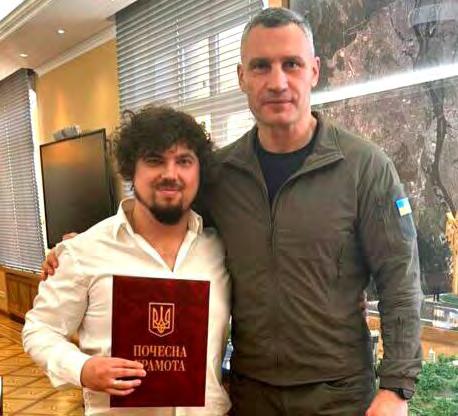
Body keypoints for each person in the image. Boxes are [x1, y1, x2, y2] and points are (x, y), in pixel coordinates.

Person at [41, 7, 423, 416]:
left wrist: (396, 388)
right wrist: (78, 248)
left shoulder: (365, 167)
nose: (277, 82)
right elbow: (160, 218)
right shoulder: (219, 174)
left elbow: (399, 280)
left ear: (314, 70)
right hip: (249, 394)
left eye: (291, 64)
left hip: (339, 396)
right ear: (242, 77)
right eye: (261, 66)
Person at [24, 105, 231, 416]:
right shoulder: (84, 252)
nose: (170, 174)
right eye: (154, 160)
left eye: (184, 161)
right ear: (130, 169)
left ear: (198, 171)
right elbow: (39, 329)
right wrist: (82, 368)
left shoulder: (221, 250)